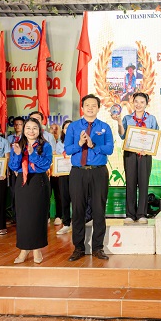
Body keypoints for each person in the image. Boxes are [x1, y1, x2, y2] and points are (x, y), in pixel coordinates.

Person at [64, 94, 114, 262]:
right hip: (78, 172)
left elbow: (109, 149)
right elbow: (68, 150)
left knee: (99, 209)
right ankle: (78, 247)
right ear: (82, 108)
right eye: (87, 105)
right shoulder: (73, 127)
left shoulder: (104, 127)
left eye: (94, 105)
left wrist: (93, 145)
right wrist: (79, 144)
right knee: (78, 210)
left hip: (98, 172)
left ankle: (98, 247)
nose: (90, 108)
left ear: (98, 108)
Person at [8, 117, 53, 264]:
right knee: (23, 217)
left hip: (39, 182)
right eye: (28, 128)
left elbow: (45, 165)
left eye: (34, 128)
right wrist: (18, 154)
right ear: (23, 130)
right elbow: (14, 166)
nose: (31, 131)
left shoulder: (45, 145)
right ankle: (24, 249)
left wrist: (33, 153)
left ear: (39, 130)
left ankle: (37, 249)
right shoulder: (17, 144)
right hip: (22, 182)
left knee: (37, 216)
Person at [112, 92, 159, 224]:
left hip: (145, 155)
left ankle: (142, 214)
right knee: (130, 183)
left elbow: (155, 136)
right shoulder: (127, 118)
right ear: (132, 103)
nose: (139, 104)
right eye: (136, 102)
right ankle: (130, 214)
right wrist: (119, 122)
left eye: (142, 102)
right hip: (130, 154)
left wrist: (148, 149)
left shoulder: (151, 119)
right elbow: (122, 135)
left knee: (143, 184)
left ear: (146, 104)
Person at [55, 120, 73, 235]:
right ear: (63, 130)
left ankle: (78, 223)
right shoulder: (59, 143)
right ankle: (66, 223)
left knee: (77, 199)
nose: (68, 129)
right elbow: (57, 158)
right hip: (63, 174)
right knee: (64, 197)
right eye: (66, 128)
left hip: (75, 173)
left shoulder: (79, 141)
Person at [7, 116, 24, 220]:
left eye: (20, 124)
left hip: (22, 169)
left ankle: (22, 215)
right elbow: (7, 155)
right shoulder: (9, 138)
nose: (18, 126)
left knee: (22, 192)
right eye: (16, 124)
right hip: (12, 168)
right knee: (13, 192)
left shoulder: (25, 138)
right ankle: (14, 215)